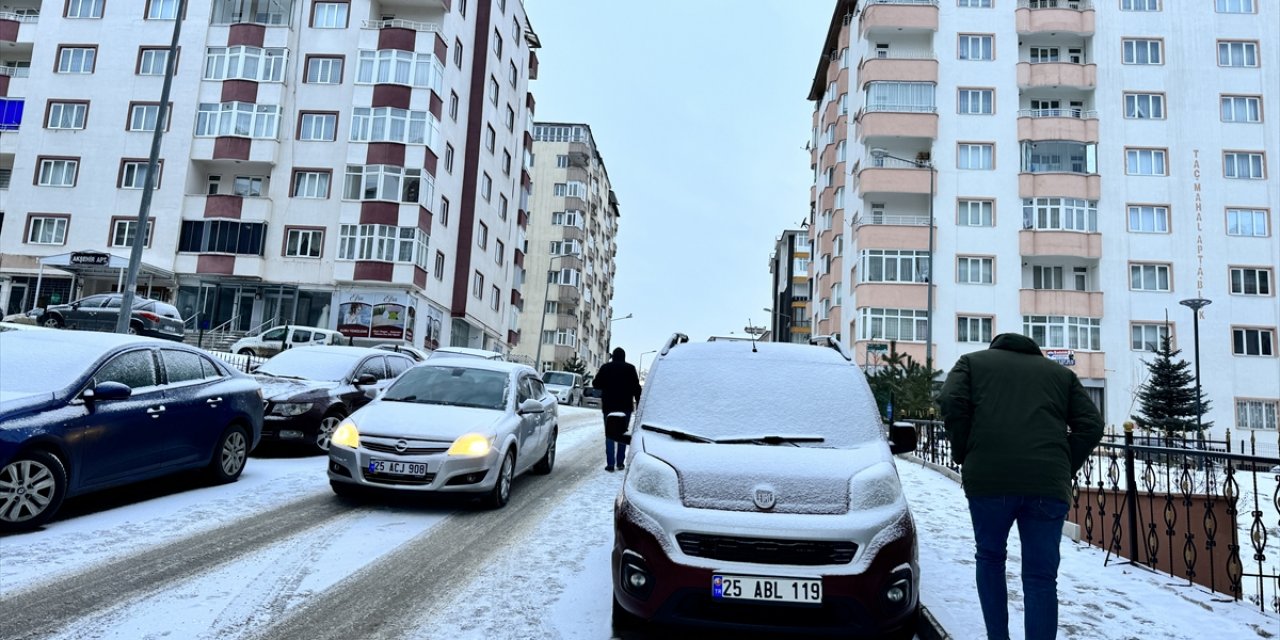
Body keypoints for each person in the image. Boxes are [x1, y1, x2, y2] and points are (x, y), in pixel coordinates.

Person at [938, 333, 1104, 640]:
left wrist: (964, 450)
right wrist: (1063, 464)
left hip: (989, 480)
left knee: (989, 557)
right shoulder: (1060, 375)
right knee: (1041, 577)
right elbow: (1092, 424)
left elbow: (950, 401)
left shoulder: (972, 364)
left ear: (996, 347)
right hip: (1046, 486)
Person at [591, 347, 642, 472]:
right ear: (624, 357)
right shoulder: (630, 368)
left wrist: (606, 385)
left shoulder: (605, 367)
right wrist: (640, 403)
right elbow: (637, 388)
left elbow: (596, 384)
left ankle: (610, 464)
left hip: (609, 407)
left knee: (610, 435)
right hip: (625, 407)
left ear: (613, 356)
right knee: (622, 434)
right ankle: (620, 463)